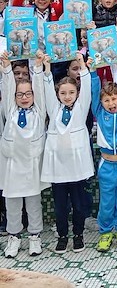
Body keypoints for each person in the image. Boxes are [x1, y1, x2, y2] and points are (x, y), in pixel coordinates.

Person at [41, 53, 94, 253]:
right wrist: (46, 69)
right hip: (58, 167)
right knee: (61, 205)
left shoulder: (80, 109)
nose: (67, 96)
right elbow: (46, 89)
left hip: (77, 166)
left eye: (71, 92)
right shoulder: (54, 110)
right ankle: (62, 235)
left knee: (79, 204)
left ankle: (78, 234)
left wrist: (81, 64)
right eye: (63, 93)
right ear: (58, 94)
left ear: (77, 93)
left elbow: (87, 87)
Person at [0, 51, 47, 259]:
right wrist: (7, 69)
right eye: (20, 94)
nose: (25, 97)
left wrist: (37, 67)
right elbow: (9, 85)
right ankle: (14, 236)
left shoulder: (38, 111)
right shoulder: (10, 110)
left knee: (33, 203)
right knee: (12, 204)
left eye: (28, 94)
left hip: (31, 165)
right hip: (12, 166)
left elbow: (39, 88)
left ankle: (34, 236)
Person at [91, 55, 117, 253]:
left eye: (114, 98)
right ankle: (106, 232)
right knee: (106, 203)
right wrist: (92, 72)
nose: (111, 103)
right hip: (107, 165)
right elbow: (93, 93)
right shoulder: (99, 113)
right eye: (106, 100)